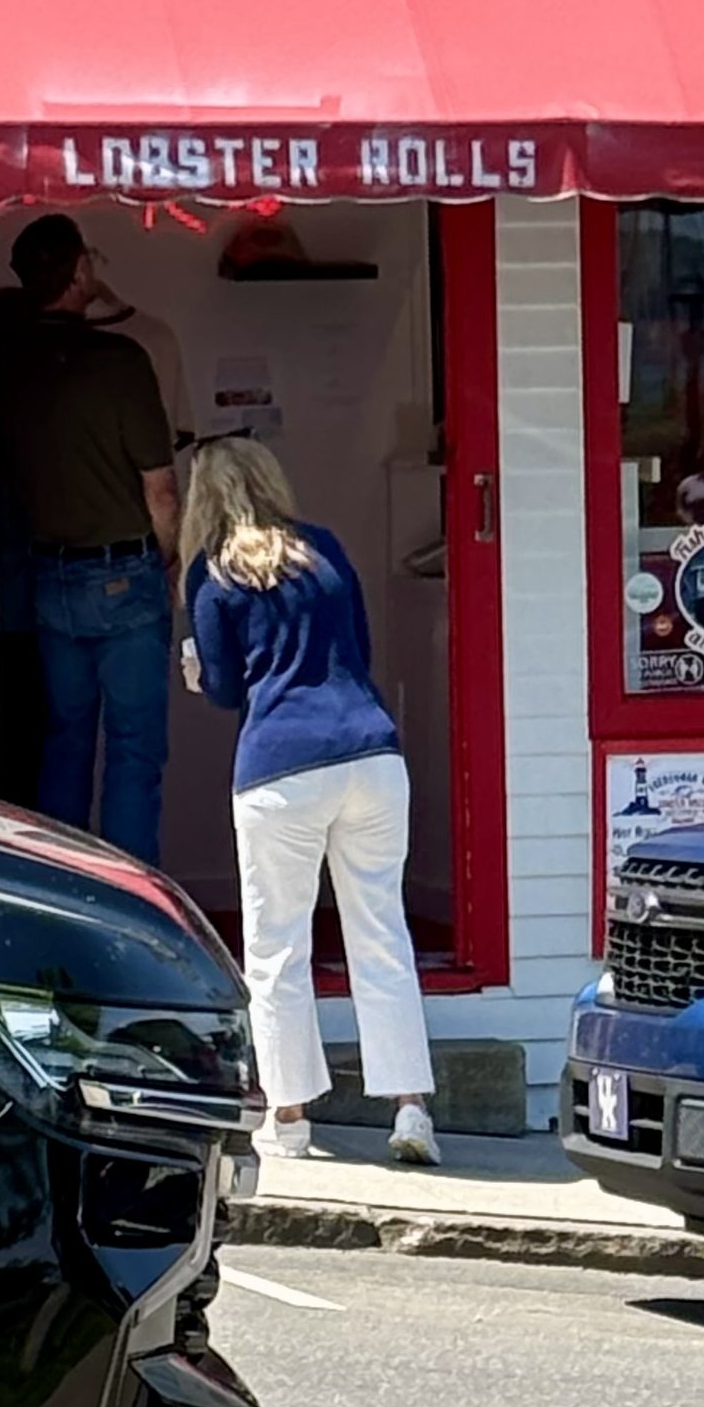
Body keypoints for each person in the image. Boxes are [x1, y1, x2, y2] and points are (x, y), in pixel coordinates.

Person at [181, 436, 439, 1168]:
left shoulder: (213, 573)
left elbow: (230, 687)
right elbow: (360, 646)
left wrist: (198, 673)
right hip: (371, 751)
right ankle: (411, 1108)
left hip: (280, 767)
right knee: (381, 930)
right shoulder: (323, 547)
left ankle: (289, 1118)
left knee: (277, 947)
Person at [0, 213, 180, 861]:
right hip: (124, 570)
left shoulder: (7, 357)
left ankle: (67, 892)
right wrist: (171, 559)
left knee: (65, 742)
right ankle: (131, 905)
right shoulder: (121, 361)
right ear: (79, 275)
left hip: (47, 573)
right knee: (132, 750)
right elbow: (161, 487)